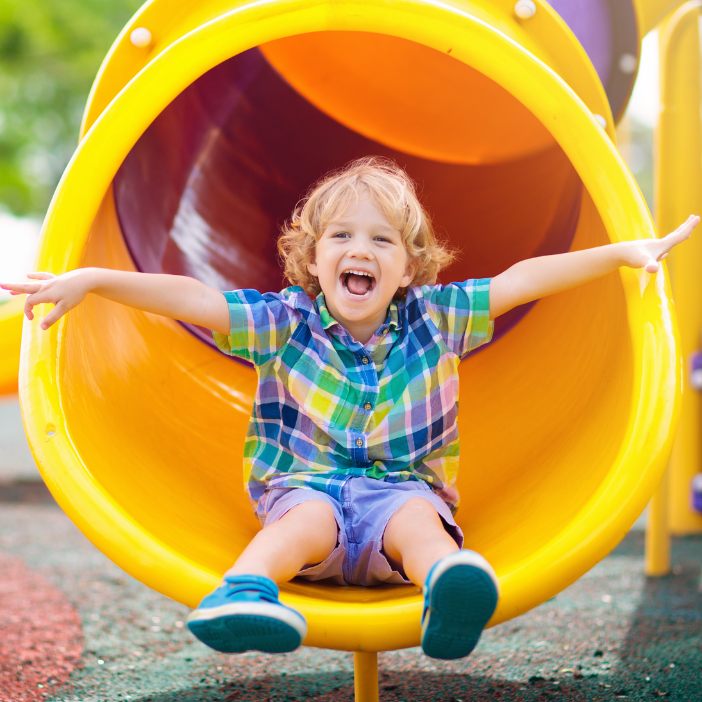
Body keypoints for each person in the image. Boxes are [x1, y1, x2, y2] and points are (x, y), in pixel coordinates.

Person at [2, 157, 697, 661]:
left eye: (381, 241)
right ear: (311, 257)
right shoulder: (284, 320)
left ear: (410, 268)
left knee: (419, 520)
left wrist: (620, 254)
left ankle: (449, 587)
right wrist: (91, 280)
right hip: (309, 496)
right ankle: (244, 593)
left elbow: (522, 281)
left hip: (400, 494)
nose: (359, 251)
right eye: (340, 237)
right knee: (304, 515)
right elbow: (194, 298)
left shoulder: (438, 315)